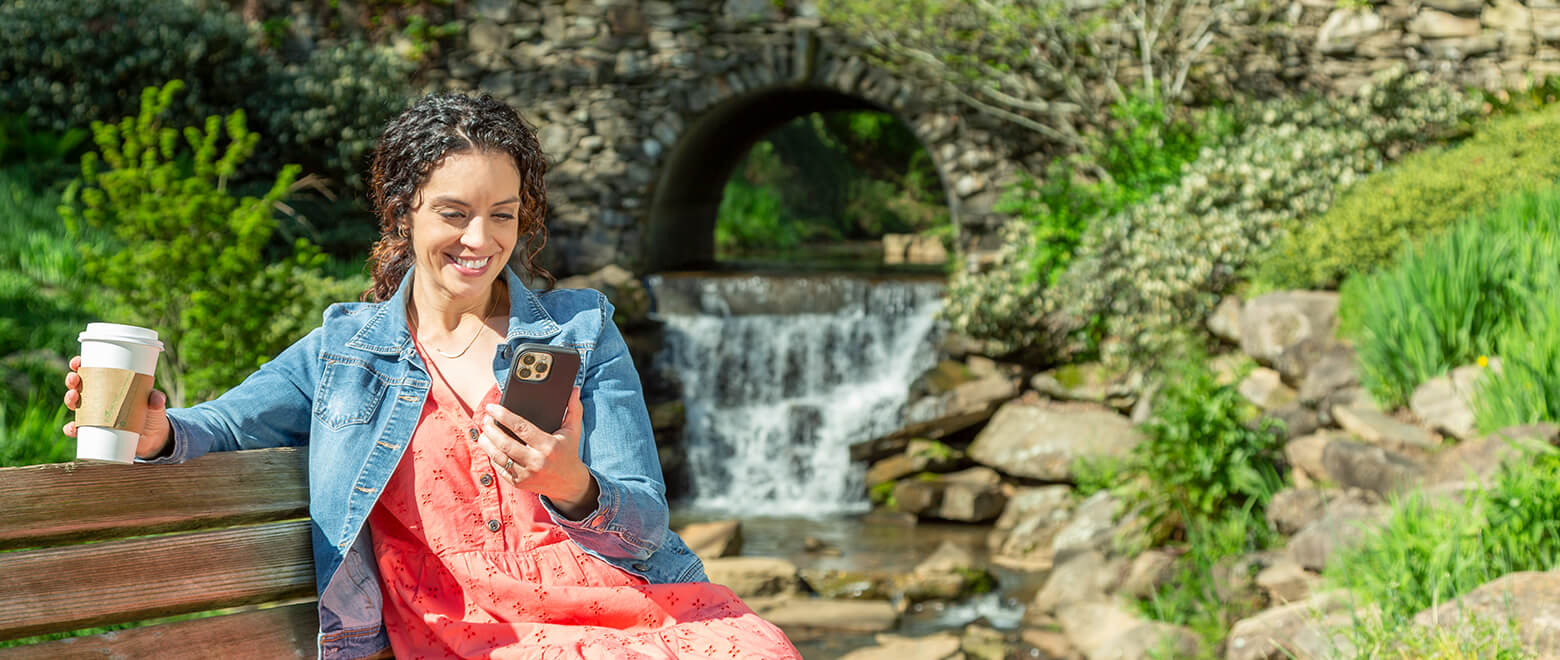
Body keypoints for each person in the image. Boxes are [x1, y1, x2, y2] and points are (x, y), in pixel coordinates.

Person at [62, 92, 801, 660]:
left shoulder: (581, 331)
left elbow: (644, 525)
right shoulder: (343, 352)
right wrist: (155, 431)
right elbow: (220, 425)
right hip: (468, 629)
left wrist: (572, 485)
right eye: (454, 212)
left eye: (503, 216)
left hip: (619, 603)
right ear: (402, 211)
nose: (481, 240)